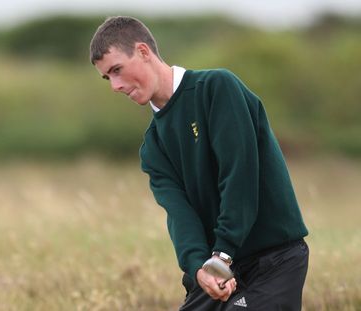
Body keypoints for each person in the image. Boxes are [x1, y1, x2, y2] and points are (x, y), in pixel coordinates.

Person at [89, 16, 309, 310]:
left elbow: (240, 177)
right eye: (107, 77)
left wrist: (222, 256)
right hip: (215, 269)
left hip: (273, 259)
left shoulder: (217, 87)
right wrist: (199, 268)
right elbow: (180, 216)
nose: (115, 85)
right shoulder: (153, 147)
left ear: (143, 51)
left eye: (117, 70)